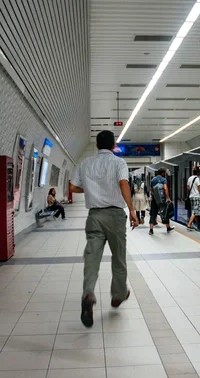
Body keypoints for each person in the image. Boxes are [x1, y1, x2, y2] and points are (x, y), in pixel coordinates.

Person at [69, 131, 139, 327]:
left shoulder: (85, 163)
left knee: (91, 258)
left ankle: (88, 294)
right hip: (115, 216)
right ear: (113, 145)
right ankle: (117, 294)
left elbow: (73, 187)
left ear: (97, 145)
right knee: (118, 257)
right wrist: (132, 210)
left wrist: (91, 190)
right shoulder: (119, 163)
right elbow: (123, 183)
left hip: (95, 217)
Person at [149, 168, 174, 235]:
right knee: (165, 213)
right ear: (162, 173)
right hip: (162, 200)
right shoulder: (163, 179)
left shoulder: (153, 180)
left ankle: (151, 230)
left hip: (154, 200)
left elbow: (151, 190)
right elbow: (165, 189)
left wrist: (154, 196)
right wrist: (168, 198)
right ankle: (168, 227)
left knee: (153, 214)